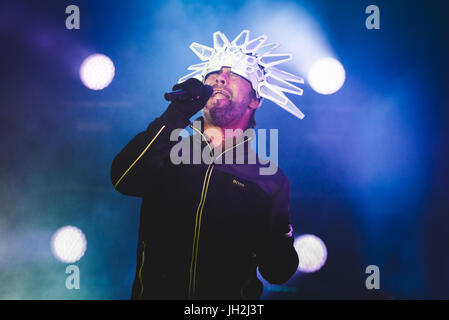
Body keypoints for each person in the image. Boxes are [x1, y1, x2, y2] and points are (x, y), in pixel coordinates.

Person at [110, 30, 304, 299]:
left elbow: (278, 271)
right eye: (213, 73)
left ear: (255, 100)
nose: (221, 77)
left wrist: (280, 230)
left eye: (235, 73)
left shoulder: (269, 180)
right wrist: (176, 114)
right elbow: (123, 179)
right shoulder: (168, 148)